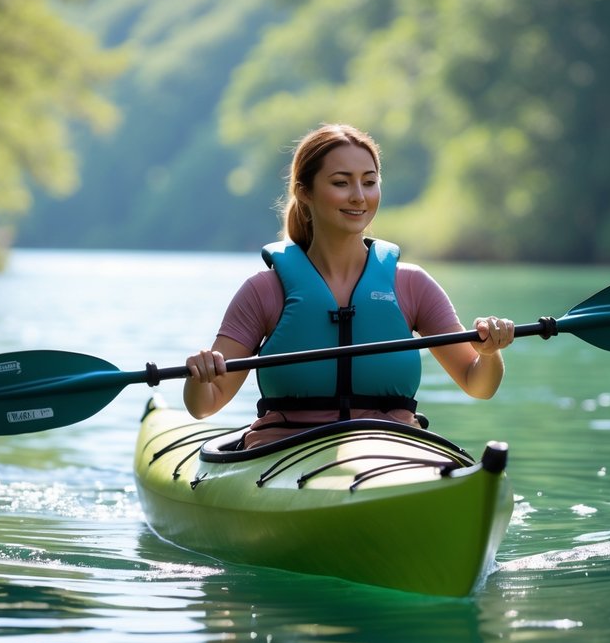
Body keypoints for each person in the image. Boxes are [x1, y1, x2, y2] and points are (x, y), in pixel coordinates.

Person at [183, 123, 515, 448]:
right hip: (285, 453)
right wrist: (199, 377)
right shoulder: (264, 291)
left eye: (369, 182)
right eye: (341, 183)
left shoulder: (413, 285)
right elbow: (205, 405)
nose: (359, 196)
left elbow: (477, 384)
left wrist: (489, 354)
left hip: (392, 451)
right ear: (305, 192)